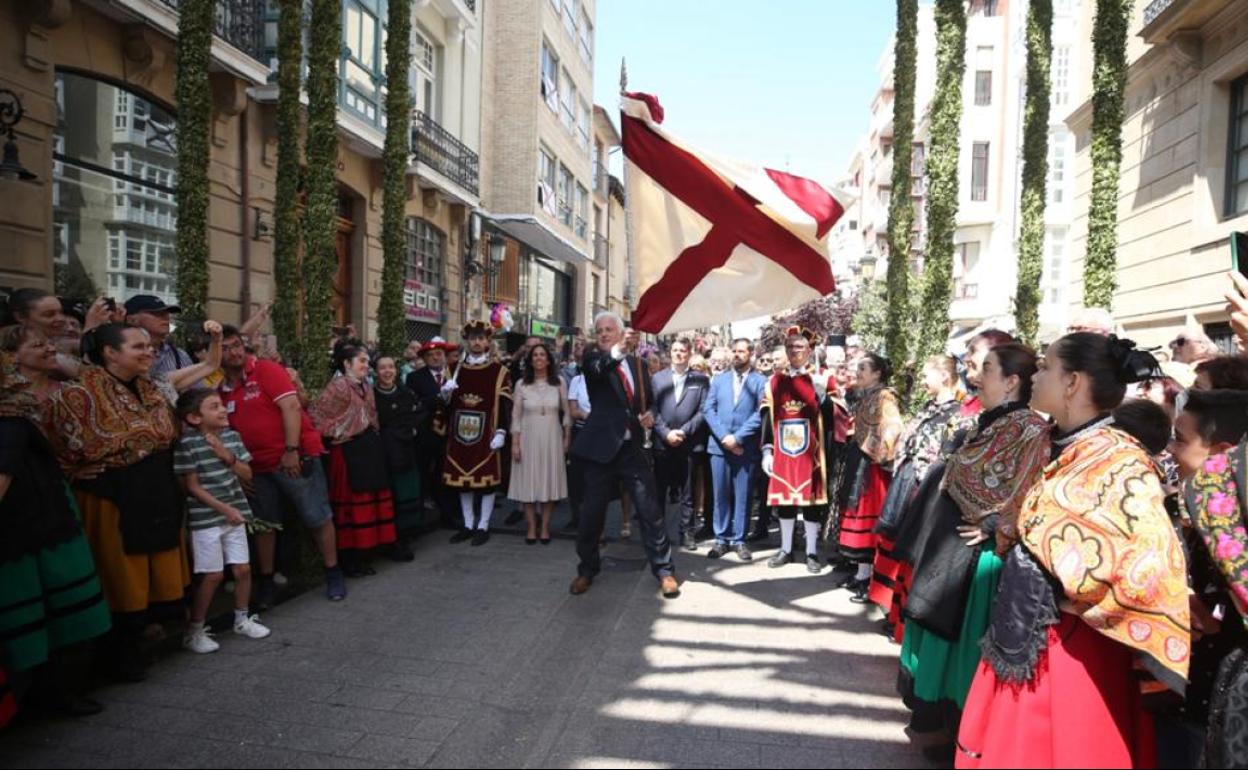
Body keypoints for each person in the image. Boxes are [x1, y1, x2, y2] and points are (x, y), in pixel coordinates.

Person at [956, 333, 1190, 769]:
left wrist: (1073, 589)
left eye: (1045, 366)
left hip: (1074, 650)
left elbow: (1151, 559)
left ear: (1072, 382)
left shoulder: (1119, 459)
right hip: (1028, 630)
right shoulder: (1055, 442)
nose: (1036, 375)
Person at [898, 344, 1050, 749]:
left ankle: (954, 731)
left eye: (986, 369)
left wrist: (995, 523)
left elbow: (1031, 489)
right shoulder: (992, 422)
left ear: (1011, 381)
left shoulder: (1029, 429)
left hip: (978, 560)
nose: (976, 378)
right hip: (952, 549)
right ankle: (936, 724)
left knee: (959, 645)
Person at [48, 322, 192, 681]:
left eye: (149, 346)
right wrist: (74, 470)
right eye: (138, 347)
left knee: (153, 571)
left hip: (154, 491)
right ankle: (113, 657)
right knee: (119, 574)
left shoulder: (152, 388)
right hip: (113, 495)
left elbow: (166, 434)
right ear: (110, 353)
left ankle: (141, 640)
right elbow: (57, 446)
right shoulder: (77, 394)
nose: (150, 352)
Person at [0, 336, 111, 716]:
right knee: (48, 618)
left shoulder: (11, 420)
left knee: (59, 616)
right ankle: (51, 697)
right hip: (34, 533)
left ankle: (55, 696)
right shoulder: (13, 417)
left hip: (41, 530)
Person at [217, 325, 346, 604]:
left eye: (236, 344)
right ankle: (267, 581)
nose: (233, 352)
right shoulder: (220, 388)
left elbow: (291, 407)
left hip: (292, 459)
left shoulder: (265, 370)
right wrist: (239, 471)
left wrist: (291, 450)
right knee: (265, 525)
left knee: (316, 515)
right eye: (224, 348)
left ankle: (333, 572)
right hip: (255, 468)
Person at [569, 312, 679, 599]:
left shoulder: (639, 365)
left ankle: (665, 571)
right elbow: (602, 368)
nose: (603, 333)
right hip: (600, 452)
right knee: (591, 514)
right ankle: (587, 570)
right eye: (599, 330)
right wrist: (619, 350)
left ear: (620, 332)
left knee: (650, 512)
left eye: (609, 329)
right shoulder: (593, 360)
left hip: (631, 451)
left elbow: (652, 403)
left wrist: (650, 416)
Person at [869, 355, 963, 642]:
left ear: (945, 377)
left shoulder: (958, 413)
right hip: (908, 478)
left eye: (926, 375)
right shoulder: (930, 406)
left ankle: (902, 616)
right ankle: (891, 610)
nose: (922, 380)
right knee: (894, 540)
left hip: (925, 484)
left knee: (910, 547)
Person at [173, 389, 271, 654]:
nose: (222, 410)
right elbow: (191, 487)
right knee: (213, 574)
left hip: (235, 512)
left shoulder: (231, 437)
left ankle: (242, 618)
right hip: (207, 518)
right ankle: (194, 630)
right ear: (194, 417)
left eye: (222, 404)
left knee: (242, 569)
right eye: (214, 406)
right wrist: (224, 508)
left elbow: (247, 473)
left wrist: (226, 455)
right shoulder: (187, 444)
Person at [309, 341, 398, 574]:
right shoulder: (338, 387)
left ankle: (365, 552)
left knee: (370, 498)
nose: (366, 365)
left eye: (367, 362)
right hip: (348, 453)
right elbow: (316, 417)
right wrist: (339, 432)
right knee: (352, 503)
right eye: (362, 361)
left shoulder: (365, 386)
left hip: (368, 449)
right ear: (347, 363)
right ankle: (350, 558)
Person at [761, 326, 841, 574]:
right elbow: (766, 416)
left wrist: (823, 398)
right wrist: (767, 450)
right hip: (784, 453)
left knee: (810, 503)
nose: (795, 352)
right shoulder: (775, 381)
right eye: (791, 347)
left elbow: (837, 417)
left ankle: (811, 552)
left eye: (800, 347)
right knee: (785, 502)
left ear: (810, 350)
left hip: (813, 454)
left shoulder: (823, 379)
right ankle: (785, 549)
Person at [439, 321, 512, 546]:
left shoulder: (499, 372)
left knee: (487, 483)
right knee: (464, 482)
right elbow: (445, 407)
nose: (477, 342)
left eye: (481, 338)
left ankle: (483, 525)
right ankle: (468, 524)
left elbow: (503, 404)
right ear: (467, 341)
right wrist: (444, 395)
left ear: (488, 342)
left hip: (486, 435)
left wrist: (501, 431)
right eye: (473, 338)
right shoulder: (452, 370)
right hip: (460, 436)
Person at [838, 354, 903, 597]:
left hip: (872, 466)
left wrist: (875, 450)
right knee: (858, 516)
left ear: (877, 373)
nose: (858, 372)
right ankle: (862, 574)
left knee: (869, 518)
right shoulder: (868, 395)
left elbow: (894, 427)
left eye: (863, 368)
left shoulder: (885, 397)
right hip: (861, 460)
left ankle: (874, 578)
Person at [703, 338, 767, 561]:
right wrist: (724, 438)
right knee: (720, 494)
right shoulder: (719, 380)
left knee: (743, 495)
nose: (737, 355)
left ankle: (739, 540)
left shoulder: (760, 381)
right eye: (735, 351)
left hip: (745, 448)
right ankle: (721, 539)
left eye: (742, 351)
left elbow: (761, 413)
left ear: (751, 354)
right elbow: (708, 410)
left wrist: (738, 438)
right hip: (719, 448)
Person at [509, 342, 572, 544]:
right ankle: (530, 527)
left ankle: (544, 527)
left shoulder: (559, 382)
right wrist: (515, 444)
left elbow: (567, 414)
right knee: (528, 484)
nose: (538, 358)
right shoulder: (521, 384)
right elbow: (515, 416)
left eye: (542, 355)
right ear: (529, 360)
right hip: (527, 437)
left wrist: (566, 437)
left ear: (548, 359)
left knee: (549, 483)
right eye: (535, 355)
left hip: (552, 437)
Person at [651, 338, 711, 551]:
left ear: (689, 353)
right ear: (670, 353)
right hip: (663, 443)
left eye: (683, 350)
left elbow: (704, 410)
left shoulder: (701, 380)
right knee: (660, 491)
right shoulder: (657, 379)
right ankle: (658, 534)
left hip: (689, 444)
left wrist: (683, 432)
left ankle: (687, 532)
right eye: (675, 350)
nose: (678, 354)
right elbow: (653, 410)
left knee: (688, 493)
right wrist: (666, 433)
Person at [373, 356, 423, 561]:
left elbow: (419, 414)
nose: (387, 371)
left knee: (405, 494)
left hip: (405, 451)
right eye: (382, 368)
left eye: (391, 367)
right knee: (387, 498)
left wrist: (410, 431)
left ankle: (403, 538)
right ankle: (387, 540)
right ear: (375, 371)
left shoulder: (407, 393)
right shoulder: (371, 396)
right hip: (381, 455)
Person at [405, 337, 458, 529]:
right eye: (430, 355)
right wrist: (438, 397)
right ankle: (418, 518)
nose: (435, 358)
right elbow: (413, 404)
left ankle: (448, 515)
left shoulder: (455, 374)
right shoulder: (415, 377)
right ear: (424, 359)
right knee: (422, 474)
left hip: (450, 435)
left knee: (445, 476)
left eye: (438, 354)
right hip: (426, 435)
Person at [123, 295, 193, 377]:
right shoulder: (121, 354)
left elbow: (196, 388)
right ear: (131, 319)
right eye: (156, 313)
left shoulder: (179, 355)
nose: (165, 317)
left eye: (166, 313)